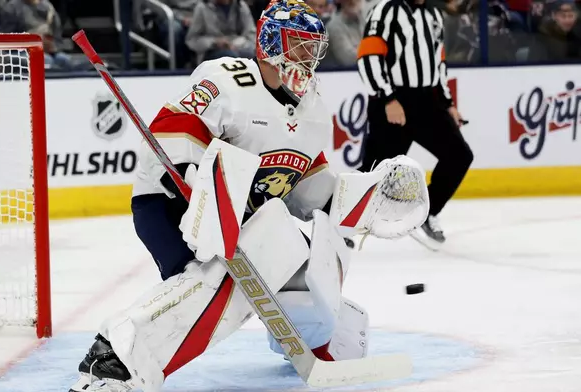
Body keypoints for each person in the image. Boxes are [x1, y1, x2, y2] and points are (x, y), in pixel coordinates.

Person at [68, 1, 426, 391]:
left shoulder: (312, 112)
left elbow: (308, 191)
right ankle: (114, 357)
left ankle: (315, 342)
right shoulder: (228, 78)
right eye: (299, 45)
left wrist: (367, 196)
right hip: (170, 205)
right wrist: (195, 183)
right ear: (270, 43)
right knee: (220, 285)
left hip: (236, 220)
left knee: (302, 262)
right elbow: (174, 129)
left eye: (313, 47)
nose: (309, 57)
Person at [356, 0, 474, 250]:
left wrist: (448, 103)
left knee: (459, 155)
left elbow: (438, 62)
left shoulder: (433, 13)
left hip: (427, 102)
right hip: (393, 101)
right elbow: (369, 57)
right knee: (372, 173)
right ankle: (339, 225)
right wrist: (388, 98)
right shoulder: (385, 10)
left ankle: (426, 212)